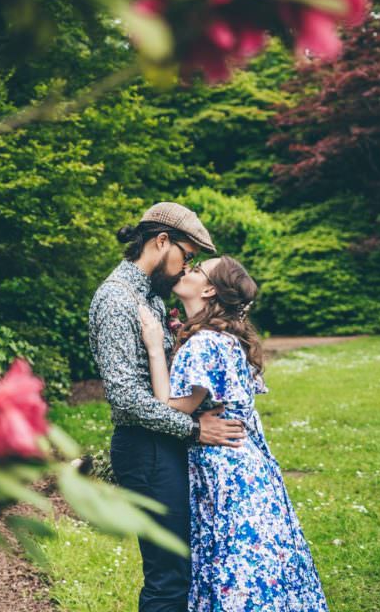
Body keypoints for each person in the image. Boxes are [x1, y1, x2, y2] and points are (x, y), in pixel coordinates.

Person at [138, 255, 328, 611]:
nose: (187, 270)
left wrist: (153, 346)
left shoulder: (205, 342)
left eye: (197, 270)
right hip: (249, 467)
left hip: (227, 472)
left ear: (209, 289)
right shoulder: (224, 337)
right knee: (256, 567)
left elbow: (168, 406)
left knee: (236, 571)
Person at [89, 201, 247, 612]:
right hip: (145, 449)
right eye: (187, 257)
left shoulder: (152, 297)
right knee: (168, 578)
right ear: (162, 242)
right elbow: (125, 396)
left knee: (184, 569)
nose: (184, 269)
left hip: (165, 444)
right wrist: (195, 430)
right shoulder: (115, 299)